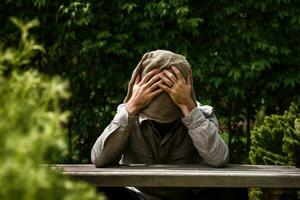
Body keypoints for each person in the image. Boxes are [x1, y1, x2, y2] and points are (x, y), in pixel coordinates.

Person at [91, 50, 236, 200]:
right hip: (137, 196)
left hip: (185, 196)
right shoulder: (128, 114)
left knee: (232, 190)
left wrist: (189, 108)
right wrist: (132, 108)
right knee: (94, 189)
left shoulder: (201, 114)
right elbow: (99, 158)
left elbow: (218, 159)